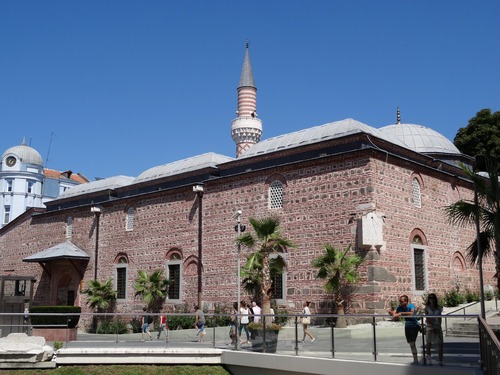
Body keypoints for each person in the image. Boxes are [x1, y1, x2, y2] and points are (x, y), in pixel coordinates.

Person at [390, 295, 420, 364]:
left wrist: (401, 313)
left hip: (414, 325)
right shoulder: (400, 307)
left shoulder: (411, 306)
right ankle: (415, 359)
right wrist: (394, 314)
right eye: (399, 301)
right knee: (410, 343)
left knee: (412, 343)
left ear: (406, 301)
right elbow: (394, 312)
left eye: (401, 301)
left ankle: (416, 360)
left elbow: (412, 313)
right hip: (407, 326)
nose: (400, 302)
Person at [424, 293, 443, 365]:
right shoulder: (427, 308)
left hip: (437, 327)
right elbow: (427, 319)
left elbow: (440, 318)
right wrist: (433, 327)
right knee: (429, 343)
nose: (431, 299)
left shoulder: (438, 308)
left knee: (440, 344)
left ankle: (440, 360)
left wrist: (438, 327)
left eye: (433, 298)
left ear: (435, 299)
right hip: (430, 327)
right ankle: (429, 358)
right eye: (430, 298)